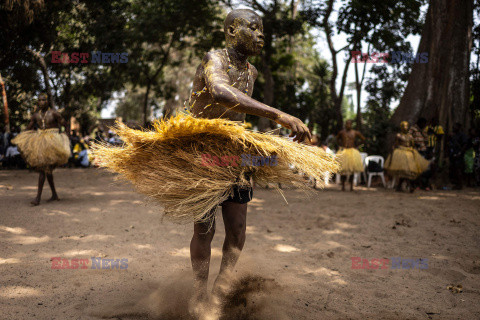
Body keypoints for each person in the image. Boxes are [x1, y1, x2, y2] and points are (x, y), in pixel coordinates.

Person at [186, 9, 312, 308]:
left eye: (262, 30)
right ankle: (198, 292)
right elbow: (220, 92)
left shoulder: (252, 72)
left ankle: (220, 288)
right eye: (253, 28)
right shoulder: (213, 58)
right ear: (232, 31)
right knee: (205, 227)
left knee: (238, 229)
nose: (261, 35)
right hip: (203, 152)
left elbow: (239, 113)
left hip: (235, 155)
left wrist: (268, 140)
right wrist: (277, 114)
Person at [12, 93, 70, 205]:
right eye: (39, 100)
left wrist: (65, 137)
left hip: (53, 142)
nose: (41, 102)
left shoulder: (54, 113)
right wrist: (21, 139)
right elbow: (28, 129)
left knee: (44, 169)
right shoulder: (35, 116)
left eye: (43, 100)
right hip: (40, 142)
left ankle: (38, 198)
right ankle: (54, 194)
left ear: (47, 101)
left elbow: (65, 124)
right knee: (46, 170)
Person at [385, 121, 429, 192]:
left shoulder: (410, 136)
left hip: (409, 153)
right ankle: (404, 185)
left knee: (409, 170)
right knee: (403, 171)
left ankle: (405, 185)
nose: (405, 128)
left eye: (406, 126)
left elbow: (412, 144)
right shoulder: (399, 135)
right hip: (400, 153)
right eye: (404, 126)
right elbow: (396, 144)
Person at [336, 120, 365, 191]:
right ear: (345, 124)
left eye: (349, 124)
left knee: (352, 170)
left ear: (351, 125)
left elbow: (363, 139)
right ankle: (343, 186)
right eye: (347, 124)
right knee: (343, 170)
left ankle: (351, 186)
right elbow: (337, 139)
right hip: (344, 151)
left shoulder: (355, 132)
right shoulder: (341, 132)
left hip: (352, 151)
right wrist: (340, 145)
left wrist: (357, 146)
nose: (348, 125)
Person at [448, 123, 468, 190]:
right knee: (453, 169)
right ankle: (456, 184)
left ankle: (460, 184)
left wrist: (460, 153)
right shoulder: (453, 135)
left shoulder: (462, 135)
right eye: (453, 126)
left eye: (455, 127)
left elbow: (465, 145)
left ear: (459, 127)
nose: (454, 128)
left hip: (459, 154)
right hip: (452, 154)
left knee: (458, 169)